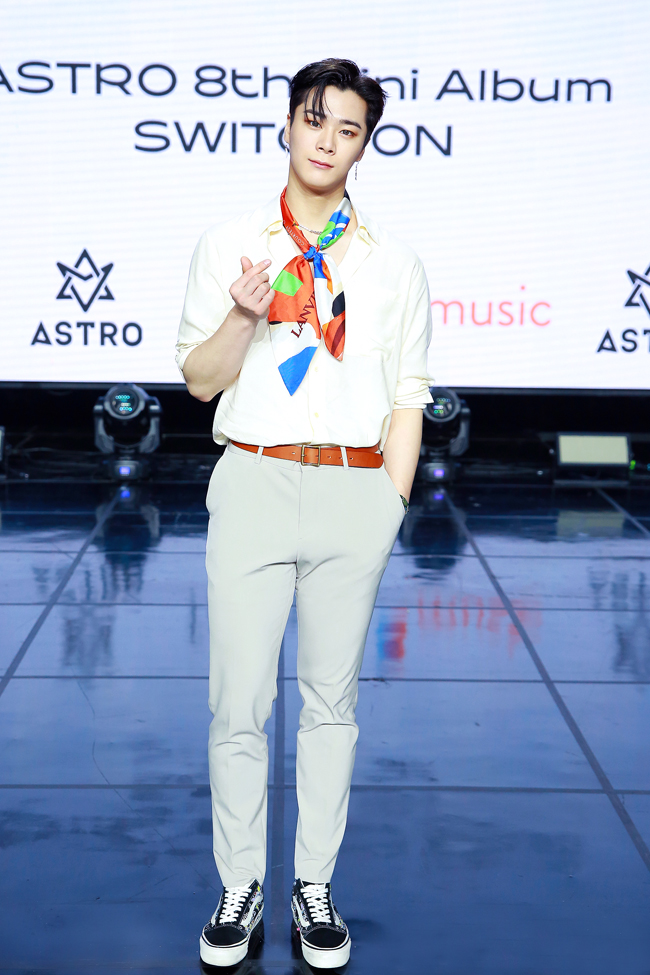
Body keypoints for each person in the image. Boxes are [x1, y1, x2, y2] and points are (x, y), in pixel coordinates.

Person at [176, 58, 433, 969]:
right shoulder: (230, 244)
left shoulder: (393, 263)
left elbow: (408, 393)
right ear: (287, 125)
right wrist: (243, 316)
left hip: (353, 492)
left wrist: (389, 502)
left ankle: (313, 885)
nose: (326, 140)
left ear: (364, 147)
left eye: (347, 128)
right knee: (238, 702)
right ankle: (240, 884)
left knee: (331, 706)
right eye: (314, 120)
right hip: (253, 479)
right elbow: (200, 381)